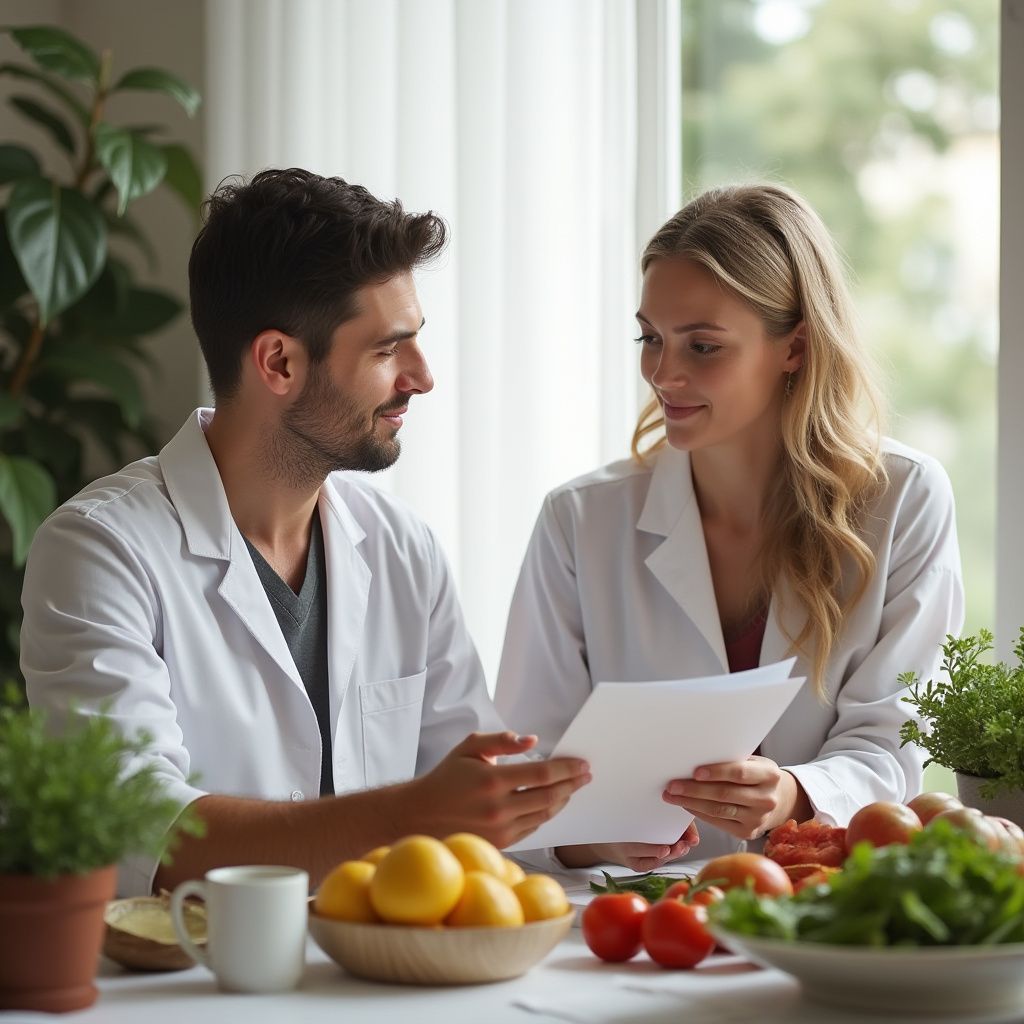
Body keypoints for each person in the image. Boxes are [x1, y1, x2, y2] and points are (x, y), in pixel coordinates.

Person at [20, 168, 590, 897]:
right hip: (189, 988)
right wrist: (409, 813)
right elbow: (140, 828)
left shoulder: (400, 548)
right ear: (279, 362)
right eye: (388, 350)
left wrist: (594, 829)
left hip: (377, 971)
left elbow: (475, 792)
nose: (422, 377)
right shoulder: (99, 550)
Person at [495, 183, 964, 873]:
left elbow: (894, 745)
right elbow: (530, 770)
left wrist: (795, 794)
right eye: (650, 338)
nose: (663, 372)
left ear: (795, 348)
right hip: (635, 922)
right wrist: (595, 837)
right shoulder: (580, 520)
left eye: (703, 346)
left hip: (822, 911)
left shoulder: (902, 499)